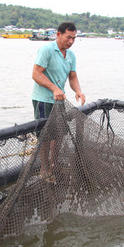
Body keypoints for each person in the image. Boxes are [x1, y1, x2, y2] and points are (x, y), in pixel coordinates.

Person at [31, 22, 86, 180]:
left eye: (74, 38)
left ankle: (55, 165)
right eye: (68, 37)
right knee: (45, 136)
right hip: (43, 100)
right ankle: (44, 169)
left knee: (59, 134)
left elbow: (73, 76)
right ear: (58, 34)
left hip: (60, 101)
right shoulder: (47, 49)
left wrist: (78, 91)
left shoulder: (71, 55)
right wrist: (54, 88)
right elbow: (36, 74)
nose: (70, 41)